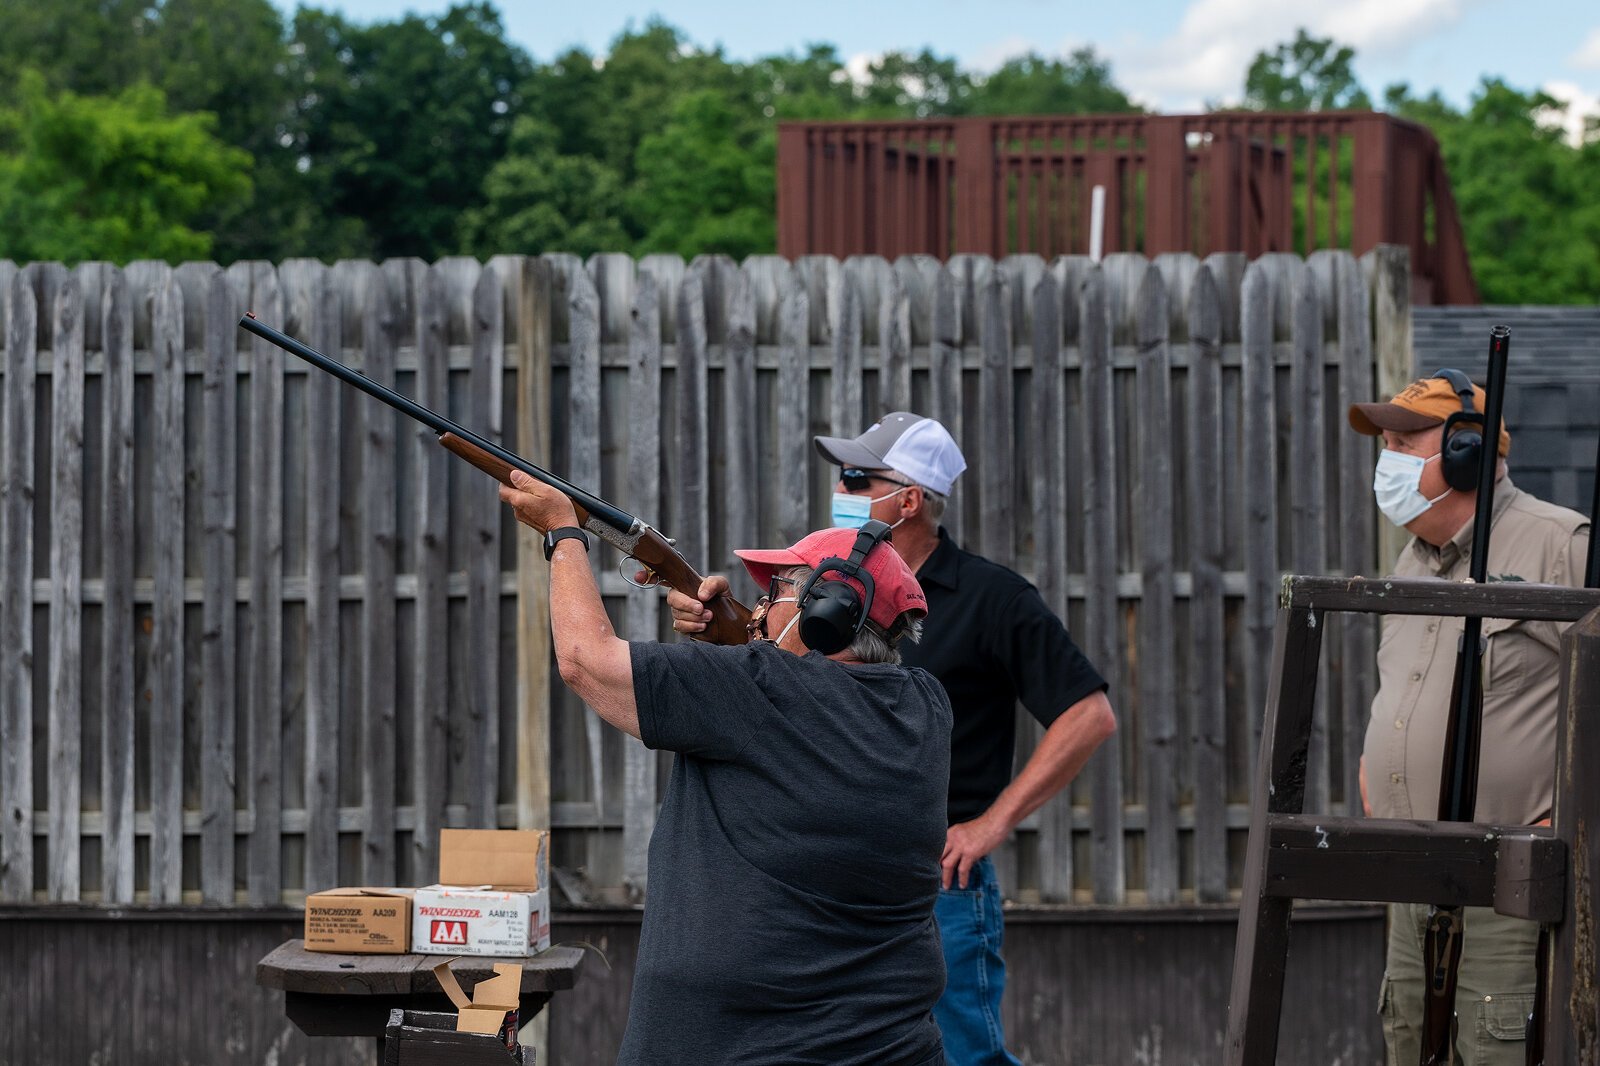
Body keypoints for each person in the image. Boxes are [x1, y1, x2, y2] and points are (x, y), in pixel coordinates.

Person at [666, 412, 1118, 1066]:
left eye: (855, 478)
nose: (841, 490)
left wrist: (990, 824)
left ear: (908, 500)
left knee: (966, 1054)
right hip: (827, 879)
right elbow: (794, 691)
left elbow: (1089, 714)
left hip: (939, 879)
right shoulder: (827, 589)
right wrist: (727, 630)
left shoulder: (996, 598)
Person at [500, 467, 952, 1066]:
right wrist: (741, 638)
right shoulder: (926, 708)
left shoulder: (758, 690)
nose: (762, 604)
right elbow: (813, 705)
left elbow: (585, 661)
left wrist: (562, 534)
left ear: (830, 610)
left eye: (778, 592)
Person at [1349, 374, 1591, 1066]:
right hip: (1406, 872)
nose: (1386, 460)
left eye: (1402, 442)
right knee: (1407, 1042)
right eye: (1383, 444)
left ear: (1466, 454)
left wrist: (1575, 815)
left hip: (1509, 883)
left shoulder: (1559, 546)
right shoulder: (1410, 561)